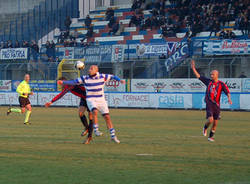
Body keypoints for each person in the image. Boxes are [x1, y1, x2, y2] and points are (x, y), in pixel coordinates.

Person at [57, 65, 126, 144]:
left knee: (107, 117)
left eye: (91, 68)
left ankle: (113, 136)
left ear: (96, 70)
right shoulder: (85, 78)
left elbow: (113, 76)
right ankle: (96, 130)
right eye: (89, 68)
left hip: (101, 99)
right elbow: (74, 81)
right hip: (91, 99)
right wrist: (63, 82)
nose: (89, 70)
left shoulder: (102, 76)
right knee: (94, 111)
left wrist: (120, 80)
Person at [191, 60, 232, 142]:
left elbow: (227, 91)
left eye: (213, 74)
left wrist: (229, 98)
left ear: (217, 75)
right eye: (211, 74)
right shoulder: (208, 82)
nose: (211, 76)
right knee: (210, 120)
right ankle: (205, 128)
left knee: (215, 123)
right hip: (209, 104)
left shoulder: (221, 84)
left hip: (217, 105)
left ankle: (210, 137)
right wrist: (193, 68)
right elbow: (199, 76)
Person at [45, 77, 94, 144]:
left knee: (91, 116)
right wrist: (51, 102)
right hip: (83, 98)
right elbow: (61, 94)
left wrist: (51, 102)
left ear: (64, 81)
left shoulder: (70, 84)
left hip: (91, 98)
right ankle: (87, 128)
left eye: (61, 83)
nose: (61, 85)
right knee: (80, 113)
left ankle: (89, 136)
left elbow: (61, 94)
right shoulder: (67, 86)